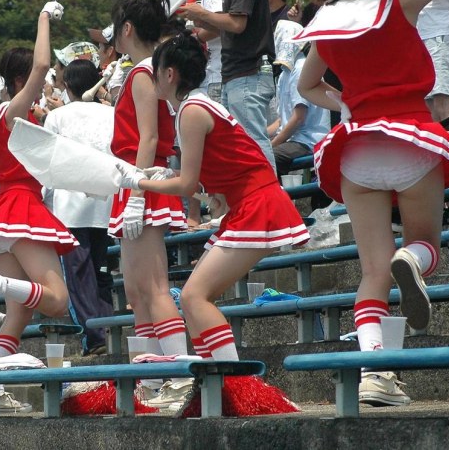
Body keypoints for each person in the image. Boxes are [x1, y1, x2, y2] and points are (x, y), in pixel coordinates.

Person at [295, 0, 449, 406]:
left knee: (370, 271)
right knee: (425, 245)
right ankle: (411, 260)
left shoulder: (327, 20)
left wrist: (347, 102)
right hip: (410, 139)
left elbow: (306, 87)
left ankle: (377, 373)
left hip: (356, 151)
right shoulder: (402, 2)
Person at [117, 31, 308, 362]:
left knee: (194, 297)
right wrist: (170, 176)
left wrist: (140, 184)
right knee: (193, 298)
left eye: (154, 73)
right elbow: (199, 177)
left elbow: (188, 186)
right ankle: (218, 379)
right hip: (251, 203)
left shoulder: (191, 110)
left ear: (169, 74)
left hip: (257, 204)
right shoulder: (193, 107)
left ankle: (231, 378)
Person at [0, 1, 71, 413]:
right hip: (21, 208)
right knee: (56, 301)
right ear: (21, 81)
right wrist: (42, 17)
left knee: (20, 313)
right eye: (37, 80)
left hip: (2, 213)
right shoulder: (17, 109)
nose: (46, 82)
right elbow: (41, 66)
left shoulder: (0, 117)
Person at [106, 0, 189, 409]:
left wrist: (137, 192)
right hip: (134, 181)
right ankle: (153, 376)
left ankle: (175, 372)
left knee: (153, 287)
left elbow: (150, 136)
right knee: (137, 290)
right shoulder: (144, 69)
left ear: (128, 28)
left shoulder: (142, 71)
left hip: (141, 181)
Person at [178, 0, 277, 170]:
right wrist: (202, 19)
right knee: (244, 142)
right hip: (241, 74)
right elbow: (234, 22)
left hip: (247, 72)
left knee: (254, 140)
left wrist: (202, 13)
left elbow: (236, 23)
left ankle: (271, 200)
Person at [44, 59, 115, 354]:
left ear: (68, 85)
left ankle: (95, 337)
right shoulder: (111, 113)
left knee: (78, 274)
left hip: (69, 205)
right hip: (107, 201)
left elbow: (46, 163)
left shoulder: (57, 116)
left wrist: (46, 202)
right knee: (101, 271)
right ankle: (109, 330)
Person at [267, 20, 330, 176]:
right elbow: (282, 120)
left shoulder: (301, 68)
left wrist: (273, 144)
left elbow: (298, 118)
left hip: (307, 141)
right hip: (293, 139)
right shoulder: (284, 74)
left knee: (267, 157)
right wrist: (257, 136)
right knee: (255, 150)